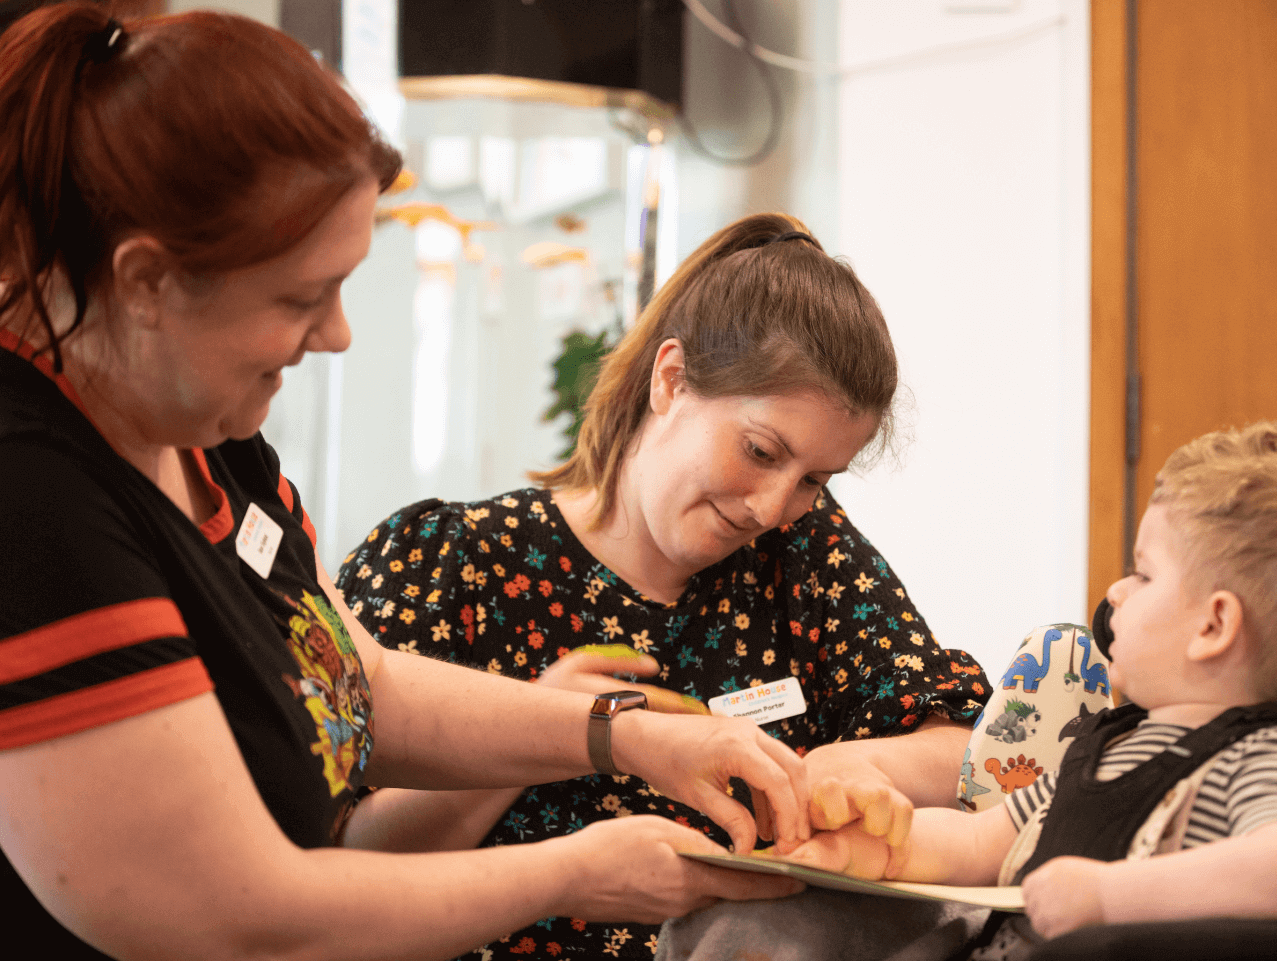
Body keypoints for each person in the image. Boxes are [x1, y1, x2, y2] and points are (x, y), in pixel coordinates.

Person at [0, 6, 827, 959]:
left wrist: (624, 736)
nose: (338, 335)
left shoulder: (208, 435)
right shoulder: (32, 497)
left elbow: (363, 685)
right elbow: (244, 918)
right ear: (147, 281)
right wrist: (575, 869)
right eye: (301, 299)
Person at [335, 212, 995, 958]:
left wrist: (852, 766)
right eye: (760, 450)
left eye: (813, 479)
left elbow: (975, 751)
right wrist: (548, 734)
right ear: (670, 379)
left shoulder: (806, 557)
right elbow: (349, 864)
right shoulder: (450, 564)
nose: (772, 508)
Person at [663, 421, 1277, 961]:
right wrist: (879, 850)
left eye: (1144, 575)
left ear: (1214, 624)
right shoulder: (1106, 742)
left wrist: (1104, 895)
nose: (1118, 592)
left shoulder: (1267, 754)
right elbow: (980, 837)